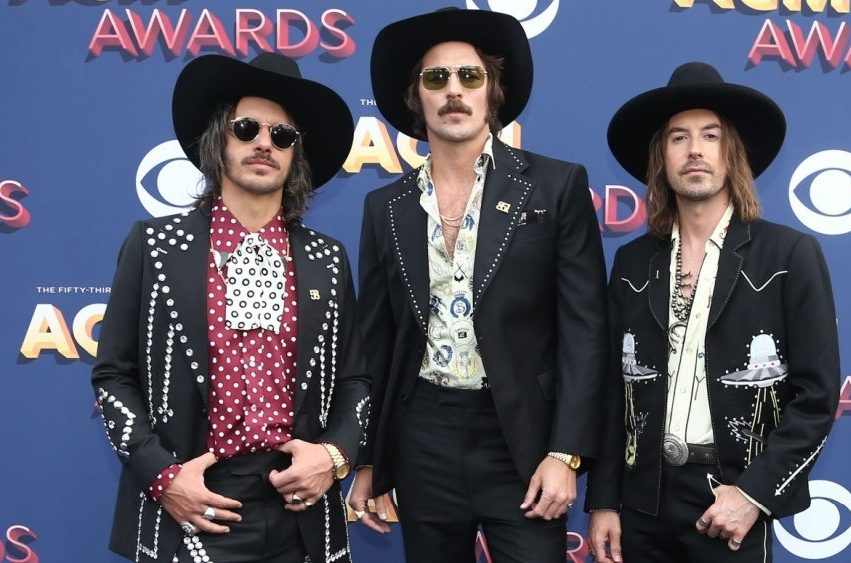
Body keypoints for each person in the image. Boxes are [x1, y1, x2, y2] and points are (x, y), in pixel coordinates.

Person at [347, 8, 608, 563]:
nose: (454, 91)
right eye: (435, 78)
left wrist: (565, 452)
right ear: (416, 98)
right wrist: (369, 457)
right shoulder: (384, 207)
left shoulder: (555, 185)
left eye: (470, 76)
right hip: (423, 436)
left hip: (522, 437)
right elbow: (375, 342)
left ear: (493, 92)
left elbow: (585, 331)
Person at [92, 52, 369, 563]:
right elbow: (113, 375)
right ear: (219, 139)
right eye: (246, 129)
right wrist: (162, 477)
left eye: (282, 135)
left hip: (299, 504)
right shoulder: (154, 246)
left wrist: (333, 456)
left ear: (296, 155)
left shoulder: (327, 259)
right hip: (193, 499)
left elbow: (355, 378)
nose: (264, 143)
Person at [585, 61, 841, 562]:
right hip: (642, 499)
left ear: (732, 153)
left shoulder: (788, 255)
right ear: (661, 157)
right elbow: (613, 390)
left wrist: (752, 495)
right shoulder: (633, 262)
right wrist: (604, 500)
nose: (695, 150)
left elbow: (816, 398)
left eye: (711, 135)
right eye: (679, 137)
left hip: (730, 498)